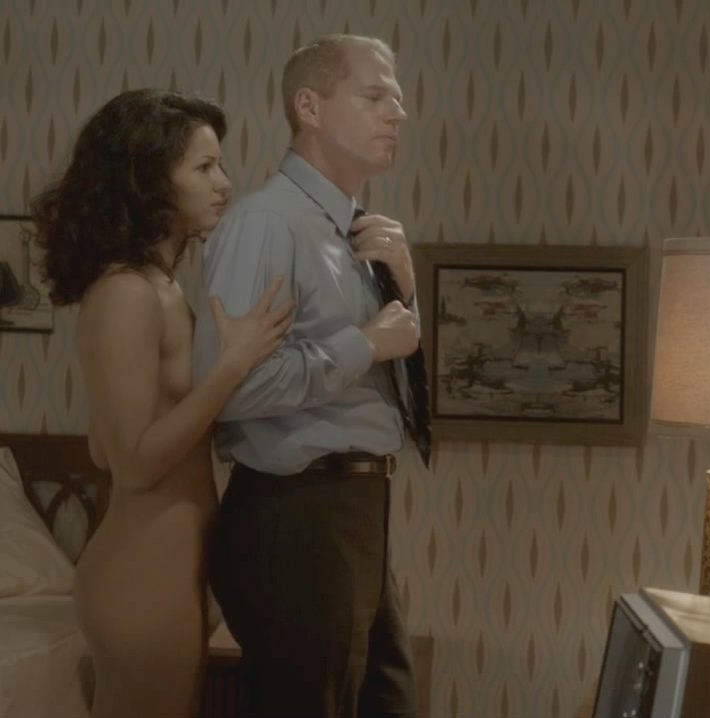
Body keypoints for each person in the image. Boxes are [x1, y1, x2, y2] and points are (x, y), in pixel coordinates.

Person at [30, 89, 294, 718]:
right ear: (148, 181)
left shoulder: (163, 286)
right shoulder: (126, 292)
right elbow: (131, 464)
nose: (225, 183)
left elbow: (105, 443)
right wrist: (232, 365)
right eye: (204, 167)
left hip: (171, 572)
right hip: (142, 576)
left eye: (220, 164)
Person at [191, 34, 429, 718]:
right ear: (310, 108)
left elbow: (393, 370)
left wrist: (405, 290)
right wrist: (365, 343)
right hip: (297, 517)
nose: (397, 113)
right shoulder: (266, 225)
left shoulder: (358, 232)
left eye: (398, 99)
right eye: (375, 96)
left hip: (356, 514)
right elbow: (231, 389)